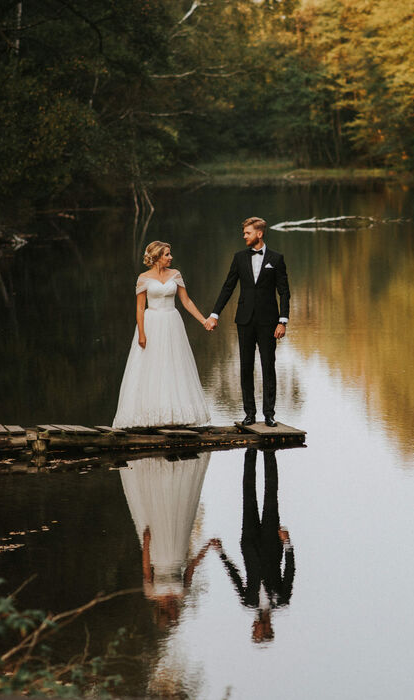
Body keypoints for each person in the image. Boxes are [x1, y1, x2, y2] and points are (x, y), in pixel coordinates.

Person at [113, 241, 211, 428]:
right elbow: (140, 308)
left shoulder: (176, 275)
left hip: (172, 323)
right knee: (151, 367)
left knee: (174, 366)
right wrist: (141, 333)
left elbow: (186, 301)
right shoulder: (143, 278)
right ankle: (148, 416)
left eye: (170, 254)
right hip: (152, 323)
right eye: (167, 254)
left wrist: (204, 320)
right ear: (157, 257)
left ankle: (176, 415)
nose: (171, 257)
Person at [203, 217, 290, 427]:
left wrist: (283, 321)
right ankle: (249, 414)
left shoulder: (276, 259)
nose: (244, 236)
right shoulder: (239, 258)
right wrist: (215, 314)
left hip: (269, 322)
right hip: (244, 320)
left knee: (269, 366)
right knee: (246, 366)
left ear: (259, 234)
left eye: (247, 233)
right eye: (244, 233)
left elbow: (284, 292)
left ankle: (269, 414)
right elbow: (228, 287)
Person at [120, 452, 212, 627]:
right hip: (178, 549)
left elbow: (146, 567)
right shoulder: (182, 592)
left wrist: (146, 542)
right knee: (173, 515)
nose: (177, 611)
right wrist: (207, 547)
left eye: (174, 614)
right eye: (177, 614)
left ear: (165, 612)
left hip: (159, 554)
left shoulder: (152, 592)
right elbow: (191, 567)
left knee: (162, 517)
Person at [212, 448, 294, 643]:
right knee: (270, 497)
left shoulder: (248, 602)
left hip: (249, 543)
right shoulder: (281, 600)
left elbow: (236, 577)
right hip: (272, 544)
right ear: (267, 628)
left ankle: (250, 451)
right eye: (256, 630)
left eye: (253, 629)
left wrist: (221, 552)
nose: (253, 626)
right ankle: (269, 452)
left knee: (248, 496)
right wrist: (287, 543)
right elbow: (289, 571)